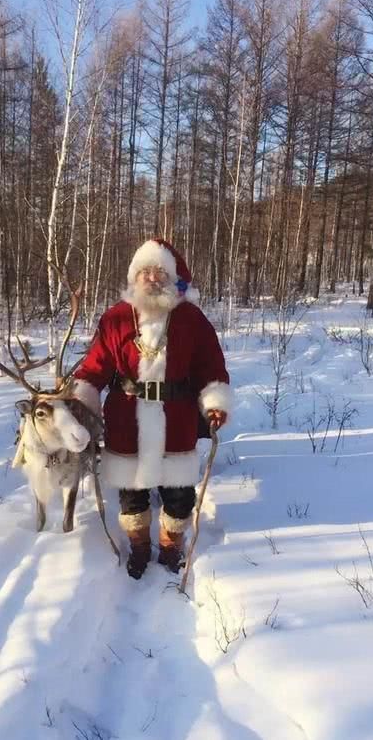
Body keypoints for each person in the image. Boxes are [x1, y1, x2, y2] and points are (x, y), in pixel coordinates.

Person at [73, 239, 231, 579]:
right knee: (132, 495)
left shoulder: (191, 318)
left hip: (176, 420)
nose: (152, 278)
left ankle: (171, 546)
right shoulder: (116, 317)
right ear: (134, 276)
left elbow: (211, 366)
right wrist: (82, 397)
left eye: (160, 272)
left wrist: (215, 401)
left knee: (179, 495)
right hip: (126, 419)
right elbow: (95, 366)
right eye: (144, 271)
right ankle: (140, 547)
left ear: (173, 278)